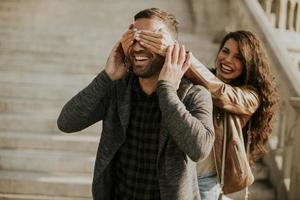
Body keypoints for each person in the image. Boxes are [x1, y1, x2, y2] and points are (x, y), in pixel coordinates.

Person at [57, 8, 215, 200]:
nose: (138, 47)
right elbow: (67, 122)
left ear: (169, 47)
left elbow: (199, 149)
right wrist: (106, 77)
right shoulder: (118, 88)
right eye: (134, 37)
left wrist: (166, 89)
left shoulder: (193, 94)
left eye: (151, 39)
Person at [135, 30, 278, 199]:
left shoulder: (250, 97)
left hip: (205, 181)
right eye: (225, 51)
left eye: (238, 57)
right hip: (177, 173)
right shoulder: (199, 80)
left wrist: (178, 52)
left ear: (249, 63)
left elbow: (222, 92)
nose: (228, 60)